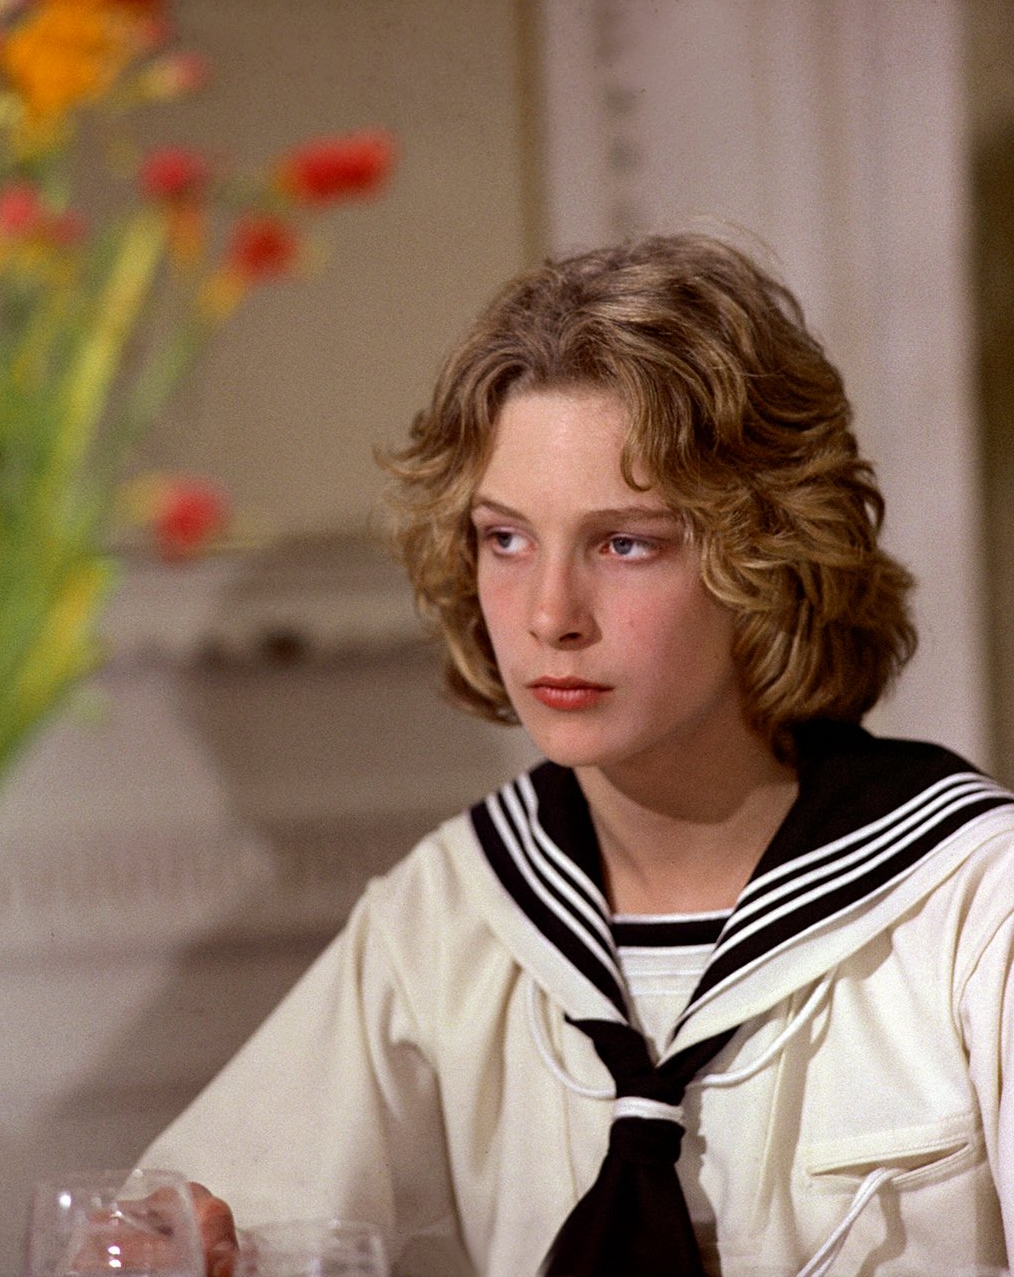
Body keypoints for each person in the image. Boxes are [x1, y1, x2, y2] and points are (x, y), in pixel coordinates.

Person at [139, 233, 1014, 1276]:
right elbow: (197, 1222)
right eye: (505, 539)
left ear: (769, 558)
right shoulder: (451, 914)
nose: (549, 614)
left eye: (624, 543)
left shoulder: (970, 906)